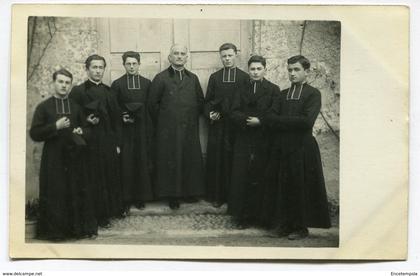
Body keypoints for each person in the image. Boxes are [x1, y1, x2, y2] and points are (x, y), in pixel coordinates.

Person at [263, 55, 331, 240]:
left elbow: (306, 121)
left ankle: (301, 228)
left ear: (306, 72)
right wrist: (290, 122)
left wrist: (280, 121)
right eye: (290, 70)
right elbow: (269, 117)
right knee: (283, 186)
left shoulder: (313, 94)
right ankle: (284, 225)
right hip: (282, 147)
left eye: (296, 70)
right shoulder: (282, 94)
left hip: (302, 148)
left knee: (301, 186)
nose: (292, 73)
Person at [30, 68, 97, 240]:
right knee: (55, 194)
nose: (64, 86)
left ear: (70, 85)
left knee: (74, 192)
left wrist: (82, 130)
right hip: (53, 159)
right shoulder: (44, 107)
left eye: (67, 83)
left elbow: (88, 130)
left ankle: (75, 231)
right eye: (60, 82)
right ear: (53, 83)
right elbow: (35, 134)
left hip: (75, 158)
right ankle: (54, 234)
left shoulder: (76, 107)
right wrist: (55, 127)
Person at [148, 44, 205, 210]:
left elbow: (200, 101)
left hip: (189, 128)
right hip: (168, 131)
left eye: (182, 54)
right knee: (171, 161)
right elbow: (152, 105)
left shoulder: (193, 78)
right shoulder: (161, 78)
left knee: (189, 159)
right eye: (176, 53)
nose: (179, 56)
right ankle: (173, 195)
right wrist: (166, 121)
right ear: (169, 57)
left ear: (187, 57)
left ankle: (190, 192)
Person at [69, 54, 123, 227]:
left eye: (101, 67)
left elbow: (116, 120)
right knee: (93, 179)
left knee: (109, 177)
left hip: (107, 141)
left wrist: (117, 144)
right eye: (94, 67)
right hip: (88, 143)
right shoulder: (78, 91)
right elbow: (72, 119)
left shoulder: (109, 91)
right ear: (87, 69)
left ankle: (110, 211)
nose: (98, 71)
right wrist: (86, 122)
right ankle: (97, 217)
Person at [228, 55, 281, 228]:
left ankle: (263, 218)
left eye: (259, 69)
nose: (255, 72)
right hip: (244, 137)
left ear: (265, 69)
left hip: (264, 139)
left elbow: (275, 113)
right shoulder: (240, 88)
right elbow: (233, 111)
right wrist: (246, 120)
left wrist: (261, 121)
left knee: (262, 176)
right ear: (248, 70)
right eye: (252, 69)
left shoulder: (273, 89)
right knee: (243, 176)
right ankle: (244, 217)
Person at [204, 43, 249, 208]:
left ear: (236, 55)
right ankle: (218, 196)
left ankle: (234, 197)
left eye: (230, 55)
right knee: (218, 160)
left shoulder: (245, 77)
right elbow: (208, 101)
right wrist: (210, 113)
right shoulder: (215, 77)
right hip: (219, 126)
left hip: (237, 127)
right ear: (220, 57)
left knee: (235, 160)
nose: (227, 59)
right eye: (224, 56)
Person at [111, 51, 154, 215]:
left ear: (139, 64)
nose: (131, 66)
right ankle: (126, 199)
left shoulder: (147, 83)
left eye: (134, 63)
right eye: (128, 64)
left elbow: (150, 107)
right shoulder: (117, 84)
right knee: (126, 163)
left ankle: (141, 197)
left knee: (141, 161)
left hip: (142, 129)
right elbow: (114, 107)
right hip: (125, 130)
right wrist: (123, 116)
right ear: (124, 65)